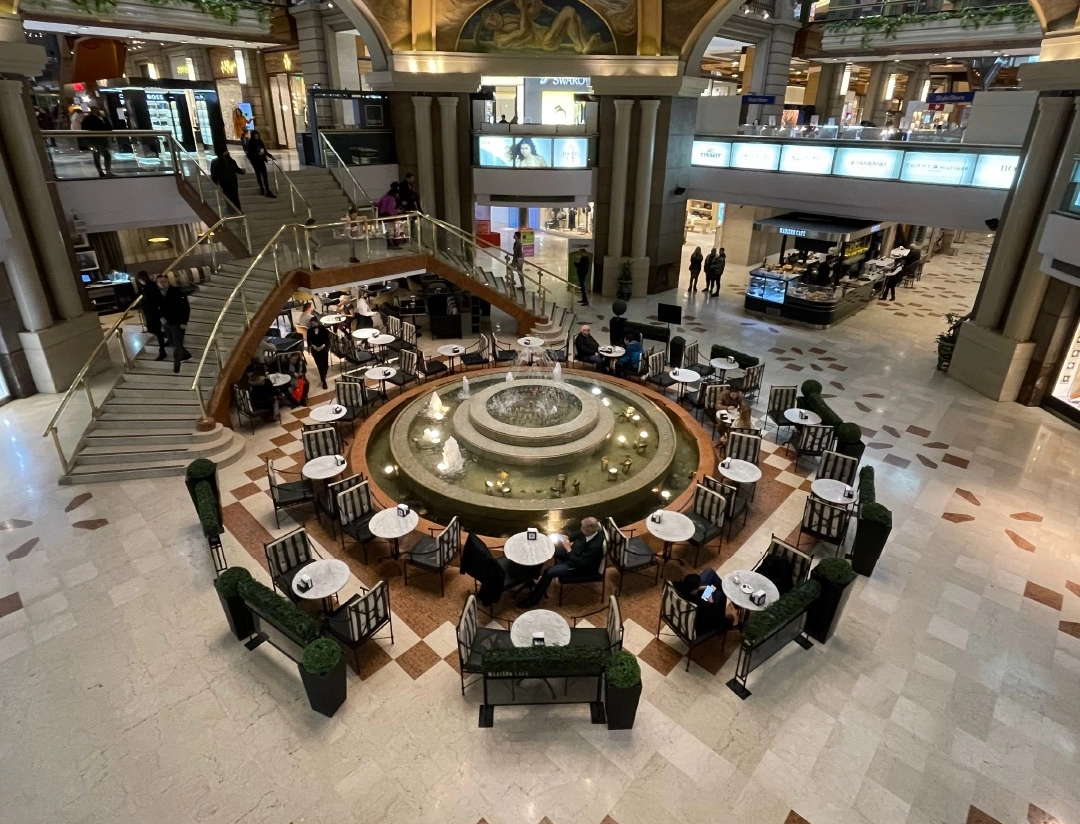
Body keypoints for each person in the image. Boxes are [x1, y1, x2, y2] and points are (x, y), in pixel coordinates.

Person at [517, 517, 605, 607]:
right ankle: (534, 574)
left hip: (579, 567)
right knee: (548, 549)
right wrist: (564, 538)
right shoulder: (587, 531)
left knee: (549, 572)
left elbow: (580, 563)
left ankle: (532, 601)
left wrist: (568, 549)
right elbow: (573, 536)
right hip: (573, 554)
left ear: (588, 530)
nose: (580, 528)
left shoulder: (595, 545)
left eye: (582, 527)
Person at [673, 570, 732, 635]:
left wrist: (699, 588)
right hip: (699, 617)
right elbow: (711, 614)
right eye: (698, 587)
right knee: (719, 594)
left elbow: (691, 591)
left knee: (709, 572)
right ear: (694, 590)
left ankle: (725, 590)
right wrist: (711, 602)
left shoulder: (678, 586)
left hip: (690, 598)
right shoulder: (699, 606)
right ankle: (722, 623)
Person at [153, 273, 191, 374]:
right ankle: (186, 355)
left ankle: (176, 365)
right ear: (157, 283)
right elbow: (155, 308)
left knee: (177, 344)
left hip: (177, 322)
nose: (163, 283)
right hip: (166, 323)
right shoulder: (156, 293)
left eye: (165, 281)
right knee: (172, 341)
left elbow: (185, 307)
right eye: (160, 282)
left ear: (168, 281)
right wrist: (160, 317)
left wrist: (184, 321)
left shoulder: (176, 291)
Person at [136, 270, 169, 360]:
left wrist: (161, 314)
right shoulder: (145, 287)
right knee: (152, 329)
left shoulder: (151, 287)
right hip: (149, 313)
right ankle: (168, 337)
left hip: (154, 312)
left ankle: (162, 351)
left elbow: (156, 300)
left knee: (156, 331)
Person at [80, 107, 113, 178]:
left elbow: (109, 128)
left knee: (100, 155)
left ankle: (104, 171)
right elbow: (106, 128)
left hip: (97, 141)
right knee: (101, 155)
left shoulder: (93, 118)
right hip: (96, 141)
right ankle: (104, 171)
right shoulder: (90, 119)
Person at [245, 130, 275, 198]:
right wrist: (257, 154)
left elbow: (264, 151)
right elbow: (250, 154)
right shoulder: (251, 143)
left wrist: (270, 156)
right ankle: (262, 188)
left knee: (265, 175)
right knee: (258, 175)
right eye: (255, 136)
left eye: (257, 136)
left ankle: (267, 190)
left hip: (261, 160)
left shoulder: (260, 142)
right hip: (255, 161)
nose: (257, 137)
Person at [306, 315, 331, 390]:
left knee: (326, 365)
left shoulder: (323, 329)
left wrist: (323, 345)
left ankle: (323, 377)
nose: (313, 325)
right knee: (320, 366)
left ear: (317, 323)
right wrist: (313, 346)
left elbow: (327, 339)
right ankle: (324, 381)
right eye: (312, 324)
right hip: (315, 351)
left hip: (323, 349)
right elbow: (309, 341)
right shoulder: (309, 331)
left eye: (314, 323)